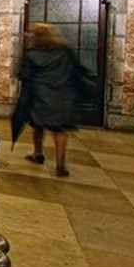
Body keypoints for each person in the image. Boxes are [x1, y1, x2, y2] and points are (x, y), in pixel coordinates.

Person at [18, 23, 87, 177]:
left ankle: (38, 153)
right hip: (63, 96)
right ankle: (60, 164)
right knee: (59, 130)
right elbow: (76, 71)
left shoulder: (32, 54)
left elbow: (24, 75)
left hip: (40, 96)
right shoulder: (65, 52)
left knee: (37, 126)